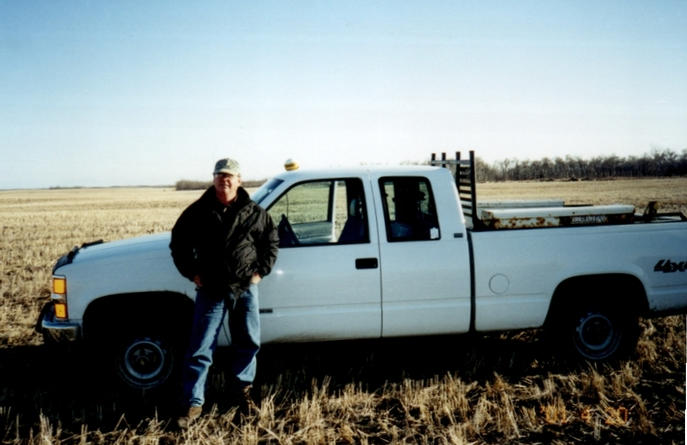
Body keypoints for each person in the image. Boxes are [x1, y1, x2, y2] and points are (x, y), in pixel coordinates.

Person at [169, 158, 279, 427]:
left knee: (248, 342)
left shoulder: (255, 213)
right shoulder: (197, 211)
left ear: (239, 180)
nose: (224, 180)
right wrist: (192, 273)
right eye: (219, 175)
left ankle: (242, 392)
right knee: (200, 346)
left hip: (244, 289)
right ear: (214, 179)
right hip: (212, 290)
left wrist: (259, 273)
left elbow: (271, 243)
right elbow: (179, 243)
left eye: (229, 176)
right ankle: (193, 403)